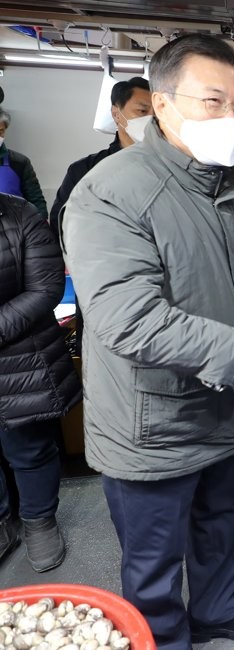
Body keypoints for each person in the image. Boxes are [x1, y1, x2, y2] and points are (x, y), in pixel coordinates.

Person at [62, 34, 234, 649]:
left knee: (219, 529)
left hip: (219, 410)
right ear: (161, 103)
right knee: (153, 563)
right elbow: (128, 319)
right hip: (149, 423)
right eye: (213, 100)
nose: (233, 118)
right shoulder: (110, 191)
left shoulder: (226, 186)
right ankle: (164, 638)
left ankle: (215, 614)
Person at [0, 194, 81, 572]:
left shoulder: (18, 214)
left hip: (20, 359)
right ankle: (4, 521)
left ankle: (38, 520)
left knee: (28, 449)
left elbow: (45, 289)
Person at [50, 77, 153, 238]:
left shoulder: (171, 166)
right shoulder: (85, 170)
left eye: (156, 115)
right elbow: (61, 223)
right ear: (116, 114)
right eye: (142, 111)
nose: (151, 120)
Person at [0, 109, 47, 217]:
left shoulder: (19, 162)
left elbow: (36, 201)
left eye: (1, 131)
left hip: (15, 230)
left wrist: (41, 226)